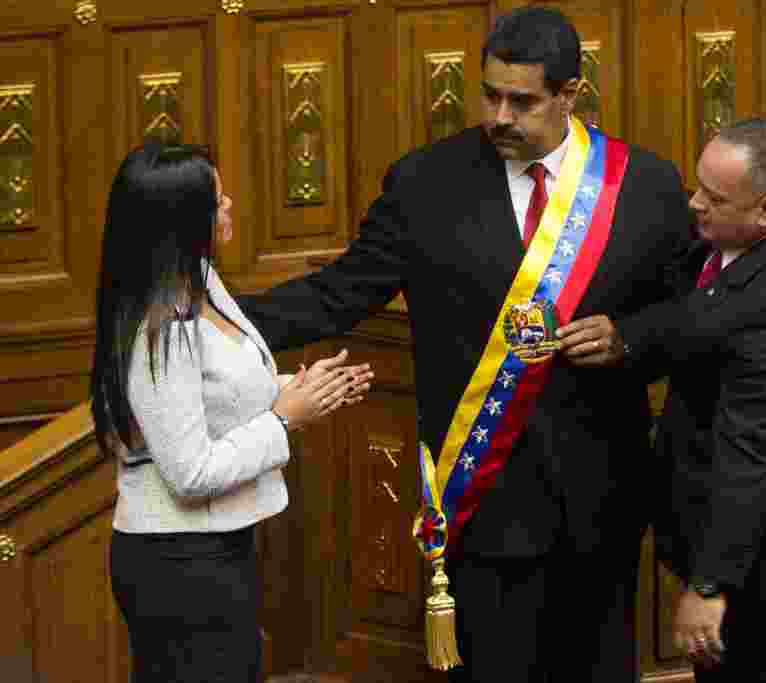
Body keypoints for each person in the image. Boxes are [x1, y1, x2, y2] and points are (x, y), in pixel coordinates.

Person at [236, 7, 691, 681]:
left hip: (602, 499)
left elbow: (688, 311)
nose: (500, 116)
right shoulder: (425, 182)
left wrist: (632, 338)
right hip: (484, 498)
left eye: (523, 101)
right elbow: (340, 293)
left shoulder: (643, 186)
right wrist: (214, 318)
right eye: (491, 95)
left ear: (570, 94)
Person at [562, 118, 766, 682]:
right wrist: (630, 337)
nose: (694, 205)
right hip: (735, 549)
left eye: (713, 198)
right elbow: (704, 311)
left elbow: (751, 452)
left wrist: (709, 585)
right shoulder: (748, 239)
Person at [90, 143, 373, 683]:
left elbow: (223, 395)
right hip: (176, 564)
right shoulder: (160, 329)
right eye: (216, 200)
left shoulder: (202, 281)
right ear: (182, 221)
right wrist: (285, 418)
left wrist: (308, 388)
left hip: (218, 549)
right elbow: (189, 473)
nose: (230, 206)